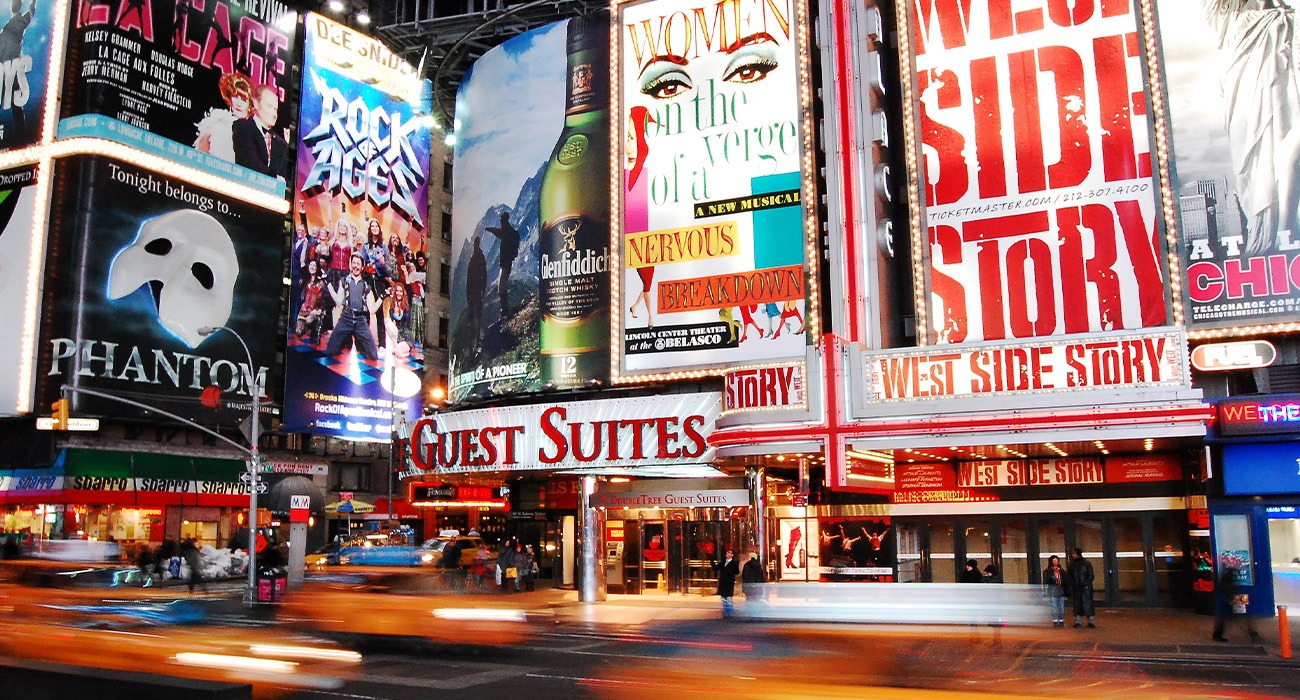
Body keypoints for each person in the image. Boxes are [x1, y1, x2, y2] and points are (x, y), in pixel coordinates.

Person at [1208, 0, 1300, 256]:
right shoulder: (1235, 14)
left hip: (1282, 96)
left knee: (1284, 156)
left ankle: (1285, 234)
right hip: (1247, 93)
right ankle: (1267, 234)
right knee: (1256, 165)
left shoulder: (1288, 17)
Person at [325, 253, 381, 361]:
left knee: (373, 355)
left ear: (362, 267)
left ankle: (358, 343)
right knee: (330, 350)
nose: (355, 266)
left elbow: (372, 310)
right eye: (354, 263)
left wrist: (381, 298)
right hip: (346, 317)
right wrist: (329, 285)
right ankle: (346, 341)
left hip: (360, 320)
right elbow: (338, 302)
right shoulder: (344, 281)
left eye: (358, 264)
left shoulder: (365, 285)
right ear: (350, 265)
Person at [194, 72, 254, 161]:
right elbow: (198, 157)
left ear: (250, 105)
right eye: (236, 97)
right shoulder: (217, 125)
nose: (239, 104)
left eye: (244, 100)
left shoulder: (254, 136)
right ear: (230, 98)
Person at [231, 84, 289, 178]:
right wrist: (275, 178)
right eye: (269, 106)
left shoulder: (281, 143)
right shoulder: (242, 127)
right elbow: (249, 163)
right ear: (256, 103)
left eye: (275, 109)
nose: (273, 113)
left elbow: (286, 177)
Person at [484, 212, 520, 317]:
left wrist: (489, 229)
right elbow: (498, 232)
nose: (500, 222)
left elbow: (498, 232)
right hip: (506, 263)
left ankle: (505, 311)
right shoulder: (510, 231)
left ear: (503, 220)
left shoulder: (506, 231)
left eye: (501, 220)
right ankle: (505, 310)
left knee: (501, 287)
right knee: (502, 286)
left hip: (505, 263)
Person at [1213, 565, 1262, 642]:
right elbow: (1229, 591)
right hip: (1230, 601)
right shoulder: (1229, 581)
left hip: (1229, 601)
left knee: (1225, 619)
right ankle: (1252, 634)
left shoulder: (1225, 580)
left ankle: (1217, 634)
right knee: (1243, 618)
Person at [465, 235, 488, 348]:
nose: (475, 245)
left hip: (477, 291)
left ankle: (477, 339)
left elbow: (484, 274)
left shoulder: (479, 257)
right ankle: (472, 340)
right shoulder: (473, 258)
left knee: (477, 315)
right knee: (472, 316)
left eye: (476, 244)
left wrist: (482, 290)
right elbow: (469, 278)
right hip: (472, 292)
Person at [1068, 547, 1096, 628]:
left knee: (1084, 604)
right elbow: (1070, 577)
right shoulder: (1073, 565)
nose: (1073, 555)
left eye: (1074, 553)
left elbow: (1091, 576)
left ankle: (1087, 621)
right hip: (1081, 588)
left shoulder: (1085, 564)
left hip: (1084, 587)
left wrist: (1084, 583)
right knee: (1081, 604)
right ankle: (1082, 621)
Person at [1042, 555, 1069, 627]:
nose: (1055, 562)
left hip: (1061, 590)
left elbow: (1066, 581)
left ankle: (1061, 620)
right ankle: (1055, 620)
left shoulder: (1062, 571)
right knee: (1054, 606)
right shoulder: (1048, 571)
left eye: (1056, 560)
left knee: (1061, 606)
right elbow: (1046, 582)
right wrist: (1046, 591)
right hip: (1053, 590)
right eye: (1054, 561)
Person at [714, 547, 740, 617]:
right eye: (727, 553)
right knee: (723, 599)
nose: (727, 554)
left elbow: (736, 572)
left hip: (729, 583)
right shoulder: (723, 562)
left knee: (728, 598)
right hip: (723, 583)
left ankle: (731, 613)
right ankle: (725, 612)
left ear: (732, 555)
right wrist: (712, 563)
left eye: (729, 553)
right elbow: (716, 568)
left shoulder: (733, 563)